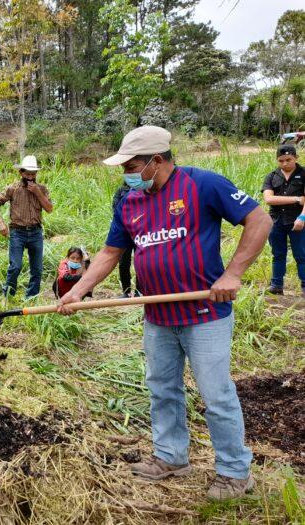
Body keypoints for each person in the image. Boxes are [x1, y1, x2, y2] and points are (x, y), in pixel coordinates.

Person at [57, 126, 272, 501]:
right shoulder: (130, 201)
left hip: (205, 312)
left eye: (132, 165)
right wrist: (77, 290)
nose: (126, 173)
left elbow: (260, 220)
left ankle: (235, 473)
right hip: (157, 315)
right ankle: (172, 457)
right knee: (161, 389)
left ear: (157, 161)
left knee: (216, 394)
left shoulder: (203, 185)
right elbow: (110, 253)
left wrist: (233, 273)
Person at [0, 155, 53, 298]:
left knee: (37, 269)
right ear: (21, 173)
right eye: (27, 174)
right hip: (17, 233)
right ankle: (8, 295)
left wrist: (37, 193)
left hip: (36, 232)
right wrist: (0, 222)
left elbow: (49, 208)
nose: (30, 177)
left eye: (33, 174)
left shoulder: (42, 189)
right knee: (15, 266)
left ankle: (31, 298)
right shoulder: (13, 188)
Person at [261, 144, 305, 297]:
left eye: (288, 159)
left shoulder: (303, 174)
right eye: (281, 160)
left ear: (296, 158)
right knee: (278, 254)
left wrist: (302, 217)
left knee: (301, 254)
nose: (285, 163)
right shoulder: (271, 176)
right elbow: (269, 199)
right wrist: (298, 198)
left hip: (298, 220)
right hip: (276, 221)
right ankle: (277, 285)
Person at [112, 182, 139, 297]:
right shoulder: (121, 190)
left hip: (140, 232)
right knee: (123, 263)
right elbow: (116, 209)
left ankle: (139, 291)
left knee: (140, 262)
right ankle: (126, 291)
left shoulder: (144, 190)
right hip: (124, 232)